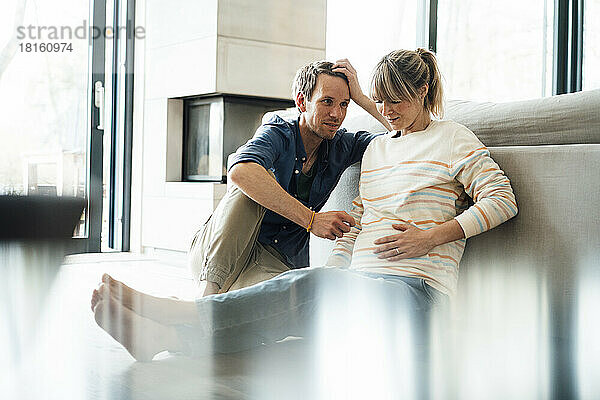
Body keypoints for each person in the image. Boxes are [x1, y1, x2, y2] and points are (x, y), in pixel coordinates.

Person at [91, 48, 517, 362]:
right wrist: (331, 271)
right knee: (295, 309)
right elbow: (360, 223)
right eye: (379, 102)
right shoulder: (378, 151)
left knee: (305, 296)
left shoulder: (453, 138)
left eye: (395, 101)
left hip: (418, 295)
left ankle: (173, 312)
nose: (384, 111)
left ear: (423, 91)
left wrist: (432, 237)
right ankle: (165, 340)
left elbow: (502, 198)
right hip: (360, 285)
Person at [190, 60, 391, 297]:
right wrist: (311, 219)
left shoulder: (342, 146)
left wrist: (362, 98)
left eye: (344, 104)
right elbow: (240, 171)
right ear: (301, 101)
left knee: (292, 304)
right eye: (327, 102)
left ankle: (206, 309)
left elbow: (401, 137)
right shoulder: (279, 130)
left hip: (270, 262)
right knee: (255, 174)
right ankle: (207, 296)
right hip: (218, 250)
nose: (337, 114)